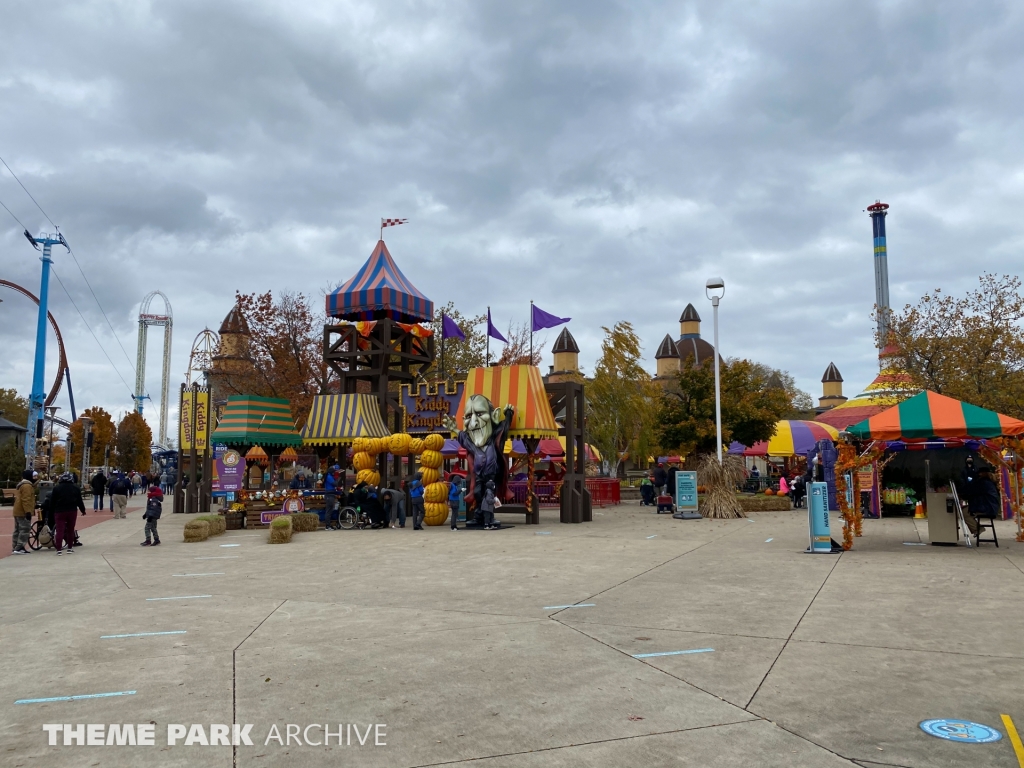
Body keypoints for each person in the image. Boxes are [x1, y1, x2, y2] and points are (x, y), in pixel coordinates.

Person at [962, 460, 1001, 537]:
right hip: (989, 506)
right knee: (966, 510)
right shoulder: (989, 482)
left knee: (964, 513)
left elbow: (972, 491)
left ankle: (977, 529)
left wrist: (962, 494)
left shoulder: (984, 482)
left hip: (987, 507)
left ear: (983, 474)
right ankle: (977, 528)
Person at [50, 472, 85, 555]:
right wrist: (83, 510)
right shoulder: (75, 488)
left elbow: (52, 501)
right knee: (70, 530)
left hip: (59, 511)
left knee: (59, 530)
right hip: (72, 510)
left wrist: (52, 511)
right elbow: (79, 501)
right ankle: (70, 548)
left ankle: (59, 549)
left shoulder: (56, 488)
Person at [11, 469, 36, 555]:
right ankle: (20, 547)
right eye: (33, 476)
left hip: (17, 510)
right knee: (25, 529)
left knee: (17, 529)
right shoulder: (27, 486)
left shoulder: (22, 485)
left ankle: (15, 546)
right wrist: (28, 511)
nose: (35, 478)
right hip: (23, 511)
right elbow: (26, 499)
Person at [324, 464, 341, 530]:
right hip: (329, 495)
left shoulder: (329, 476)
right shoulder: (329, 476)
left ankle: (328, 525)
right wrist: (337, 478)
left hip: (331, 494)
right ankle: (327, 526)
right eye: (334, 472)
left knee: (330, 510)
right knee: (329, 510)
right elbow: (335, 484)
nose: (334, 473)